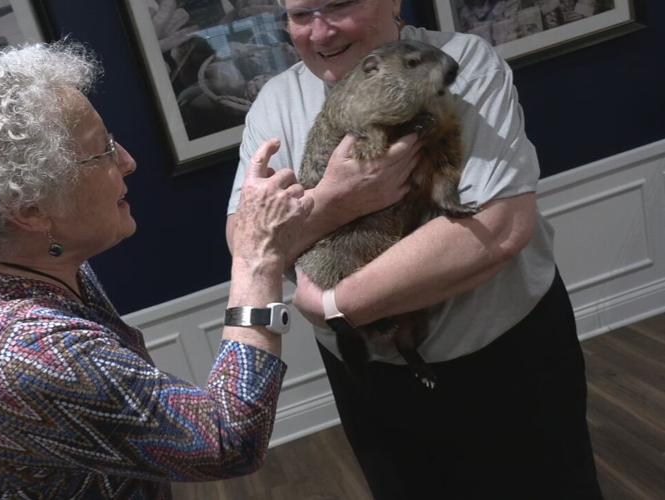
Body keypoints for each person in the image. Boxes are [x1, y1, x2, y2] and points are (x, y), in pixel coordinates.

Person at [225, 0, 603, 498]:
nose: (320, 32)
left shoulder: (459, 61)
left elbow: (498, 226)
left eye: (339, 5)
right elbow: (247, 243)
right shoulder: (276, 103)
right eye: (300, 15)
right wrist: (338, 199)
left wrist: (335, 305)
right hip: (372, 378)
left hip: (505, 356)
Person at [0, 41, 313, 498]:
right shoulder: (20, 352)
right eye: (101, 152)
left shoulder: (11, 263)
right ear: (29, 208)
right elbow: (225, 440)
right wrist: (256, 259)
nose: (127, 161)